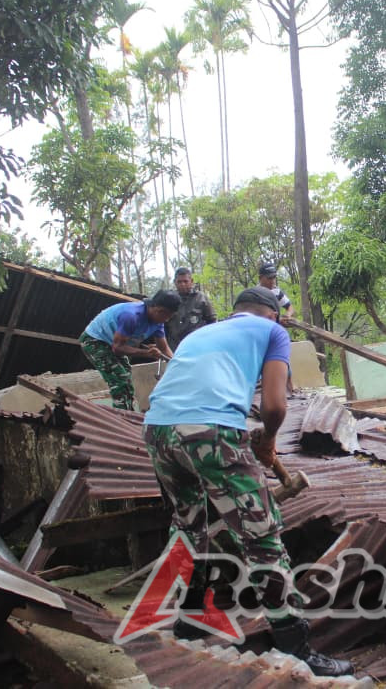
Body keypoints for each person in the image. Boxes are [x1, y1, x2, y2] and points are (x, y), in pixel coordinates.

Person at [143, 286, 352, 677]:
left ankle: (188, 619)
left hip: (157, 430)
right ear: (271, 315)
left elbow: (192, 393)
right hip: (210, 431)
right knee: (262, 537)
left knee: (189, 528)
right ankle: (297, 646)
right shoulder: (273, 333)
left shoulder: (199, 334)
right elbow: (275, 405)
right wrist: (269, 440)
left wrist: (248, 434)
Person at [80, 291, 180, 411]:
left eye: (170, 316)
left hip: (116, 343)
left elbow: (164, 348)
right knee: (120, 381)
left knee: (126, 377)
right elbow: (117, 348)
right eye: (167, 316)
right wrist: (146, 353)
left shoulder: (158, 322)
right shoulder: (131, 316)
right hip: (95, 340)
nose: (167, 320)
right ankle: (121, 419)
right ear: (158, 310)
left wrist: (178, 364)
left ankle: (128, 413)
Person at [165, 266, 217, 350]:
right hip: (175, 348)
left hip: (197, 346)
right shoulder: (169, 299)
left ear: (191, 281)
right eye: (179, 282)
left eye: (185, 281)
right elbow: (162, 325)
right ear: (175, 282)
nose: (182, 284)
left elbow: (212, 321)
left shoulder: (201, 298)